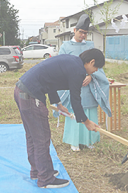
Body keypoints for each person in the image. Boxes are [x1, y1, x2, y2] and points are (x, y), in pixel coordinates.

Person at [14, 48, 105, 189]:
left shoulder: (71, 61)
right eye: (96, 67)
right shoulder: (79, 70)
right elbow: (76, 99)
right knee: (41, 138)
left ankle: (37, 171)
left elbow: (49, 81)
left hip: (21, 90)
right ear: (91, 62)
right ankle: (45, 178)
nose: (95, 71)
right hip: (31, 95)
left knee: (33, 136)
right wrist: (86, 122)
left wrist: (59, 103)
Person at [58, 14, 111, 151]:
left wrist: (91, 76)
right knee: (74, 110)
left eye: (85, 33)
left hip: (89, 86)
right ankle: (74, 141)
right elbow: (61, 66)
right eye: (81, 32)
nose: (83, 35)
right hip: (73, 85)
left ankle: (89, 140)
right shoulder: (65, 46)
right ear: (75, 30)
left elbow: (97, 66)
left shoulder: (91, 46)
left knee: (90, 111)